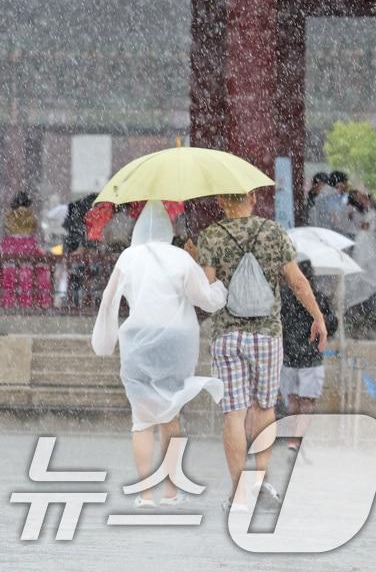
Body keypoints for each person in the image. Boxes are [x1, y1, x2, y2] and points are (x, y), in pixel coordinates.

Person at [196, 191, 327, 513]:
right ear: (252, 197)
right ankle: (258, 482)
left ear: (221, 201)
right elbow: (297, 282)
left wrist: (198, 265)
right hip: (266, 335)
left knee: (234, 413)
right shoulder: (272, 231)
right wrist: (317, 316)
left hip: (227, 335)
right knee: (264, 407)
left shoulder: (211, 235)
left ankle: (238, 496)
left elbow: (207, 293)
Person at [93, 204, 227, 506]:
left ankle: (144, 493)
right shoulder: (181, 257)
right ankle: (170, 489)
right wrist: (217, 284)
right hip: (177, 342)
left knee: (141, 420)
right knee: (171, 414)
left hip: (139, 340)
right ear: (167, 229)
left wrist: (105, 340)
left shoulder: (128, 257)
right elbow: (205, 299)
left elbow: (109, 297)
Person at [280, 258, 339, 455]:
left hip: (288, 357)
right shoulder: (319, 298)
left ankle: (292, 438)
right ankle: (297, 440)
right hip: (311, 359)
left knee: (293, 401)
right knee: (307, 402)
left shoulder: (283, 297)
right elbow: (331, 325)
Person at [0, 192, 52, 308]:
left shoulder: (7, 219)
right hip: (28, 264)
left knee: (8, 285)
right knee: (28, 284)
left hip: (8, 263)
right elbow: (42, 243)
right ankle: (29, 305)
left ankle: (6, 304)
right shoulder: (33, 220)